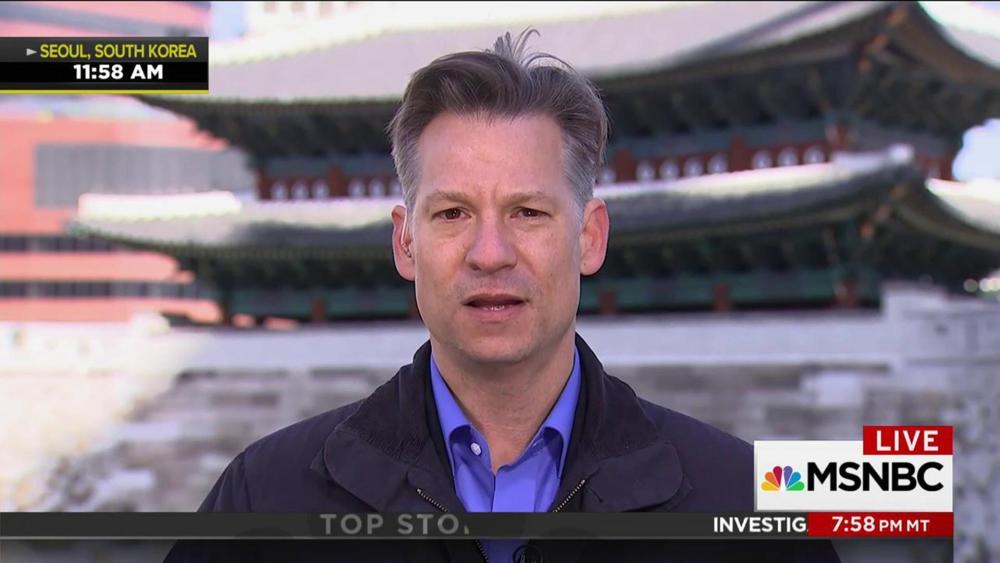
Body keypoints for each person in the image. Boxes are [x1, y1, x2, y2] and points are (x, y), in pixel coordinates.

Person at [165, 31, 839, 563]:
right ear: (405, 242)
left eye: (528, 212)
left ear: (589, 237)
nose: (490, 253)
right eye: (452, 213)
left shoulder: (741, 506)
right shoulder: (266, 500)